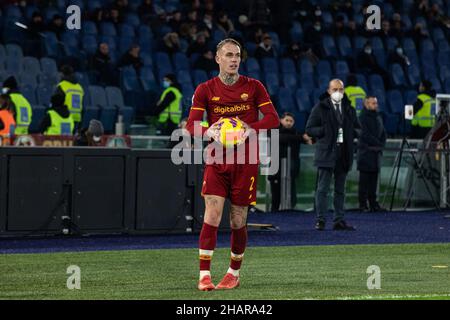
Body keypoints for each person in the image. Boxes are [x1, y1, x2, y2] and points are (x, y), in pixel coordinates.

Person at [186, 38, 279, 291]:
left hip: (246, 160)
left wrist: (250, 128)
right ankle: (204, 275)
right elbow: (191, 125)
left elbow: (273, 119)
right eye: (228, 55)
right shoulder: (205, 89)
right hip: (217, 158)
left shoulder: (254, 86)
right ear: (218, 58)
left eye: (237, 55)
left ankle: (233, 273)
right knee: (213, 213)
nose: (234, 59)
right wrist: (210, 131)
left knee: (238, 219)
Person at [305, 79, 361, 231]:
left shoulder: (349, 108)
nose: (338, 92)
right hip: (326, 153)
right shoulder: (320, 107)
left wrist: (351, 133)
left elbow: (358, 128)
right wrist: (324, 131)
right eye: (335, 89)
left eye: (341, 89)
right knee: (322, 189)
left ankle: (339, 220)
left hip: (343, 154)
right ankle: (321, 220)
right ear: (329, 91)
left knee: (340, 190)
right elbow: (309, 129)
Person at [269, 112, 312, 211]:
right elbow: (282, 138)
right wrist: (301, 138)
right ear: (281, 120)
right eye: (287, 120)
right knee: (276, 195)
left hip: (290, 169)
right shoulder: (274, 130)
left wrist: (305, 139)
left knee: (291, 192)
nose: (289, 123)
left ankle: (290, 210)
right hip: (276, 168)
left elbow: (308, 141)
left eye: (291, 121)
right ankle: (274, 213)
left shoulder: (296, 132)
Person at [357, 96, 386, 212]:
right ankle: (363, 204)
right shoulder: (362, 118)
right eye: (373, 103)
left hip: (375, 153)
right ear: (366, 104)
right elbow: (364, 134)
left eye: (376, 103)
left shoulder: (378, 116)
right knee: (364, 180)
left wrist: (381, 143)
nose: (376, 105)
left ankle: (373, 203)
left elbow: (383, 132)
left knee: (374, 180)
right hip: (366, 152)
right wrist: (378, 144)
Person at [56, 65, 84, 132]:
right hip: (76, 117)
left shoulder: (62, 85)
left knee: (65, 140)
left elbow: (57, 102)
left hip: (65, 117)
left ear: (62, 74)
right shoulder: (79, 87)